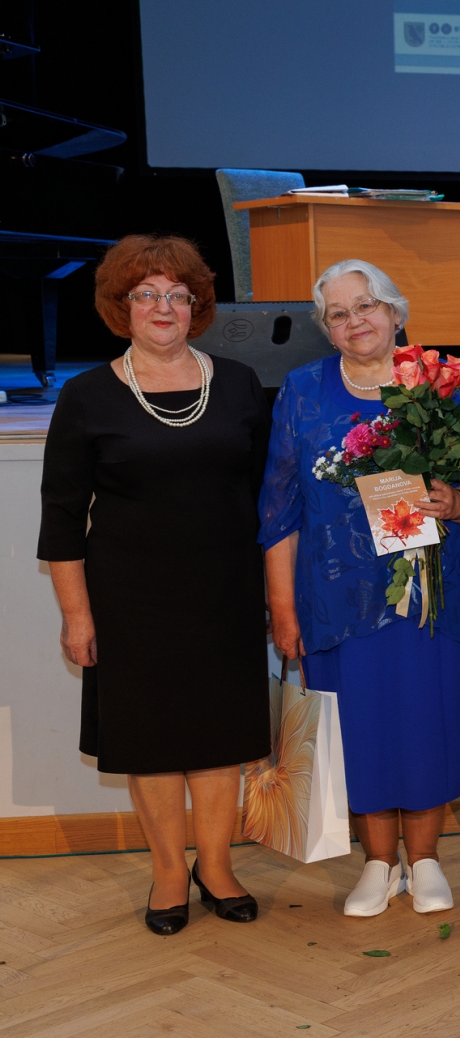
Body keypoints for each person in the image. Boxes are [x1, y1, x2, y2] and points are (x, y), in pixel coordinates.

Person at [260, 259, 460, 919]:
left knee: (430, 722)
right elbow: (279, 510)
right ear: (326, 329)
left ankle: (424, 860)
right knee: (357, 730)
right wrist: (282, 609)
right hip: (336, 600)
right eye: (338, 314)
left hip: (432, 594)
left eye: (366, 306)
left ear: (396, 312)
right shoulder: (303, 390)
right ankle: (377, 863)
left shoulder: (442, 381)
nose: (355, 322)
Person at [39, 235, 269, 935]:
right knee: (152, 740)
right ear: (122, 306)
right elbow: (61, 520)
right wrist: (77, 616)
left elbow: (269, 500)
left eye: (177, 294)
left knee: (220, 738)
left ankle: (217, 867)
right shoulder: (86, 395)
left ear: (198, 306)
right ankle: (169, 872)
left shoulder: (239, 383)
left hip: (226, 594)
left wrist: (277, 594)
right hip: (130, 601)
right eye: (146, 294)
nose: (163, 307)